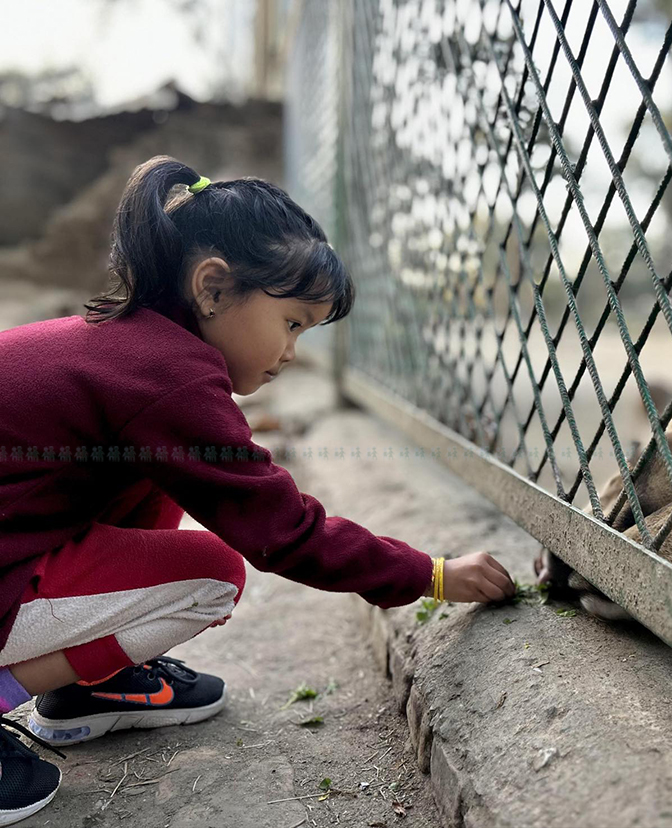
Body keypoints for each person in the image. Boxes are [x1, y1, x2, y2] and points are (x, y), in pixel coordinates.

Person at [0, 155, 516, 824]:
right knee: (212, 577)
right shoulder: (169, 377)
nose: (293, 350)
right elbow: (283, 531)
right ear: (212, 289)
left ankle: (90, 687)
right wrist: (432, 574)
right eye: (294, 322)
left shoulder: (123, 349)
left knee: (165, 483)